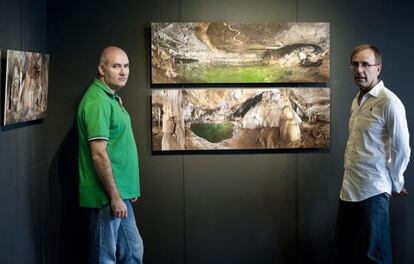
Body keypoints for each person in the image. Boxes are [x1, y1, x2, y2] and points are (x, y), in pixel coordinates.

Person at [334, 44, 411, 264]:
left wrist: (396, 181)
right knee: (342, 249)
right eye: (355, 64)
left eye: (366, 64)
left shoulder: (389, 102)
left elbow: (402, 147)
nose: (360, 70)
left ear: (378, 68)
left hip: (374, 190)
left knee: (375, 256)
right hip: (349, 188)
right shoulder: (356, 100)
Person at [77, 46, 144, 263]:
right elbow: (98, 154)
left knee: (133, 251)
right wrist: (115, 197)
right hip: (105, 197)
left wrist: (126, 188)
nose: (123, 72)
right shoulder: (98, 101)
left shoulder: (110, 97)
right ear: (101, 70)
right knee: (104, 257)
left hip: (119, 193)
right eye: (116, 66)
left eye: (126, 66)